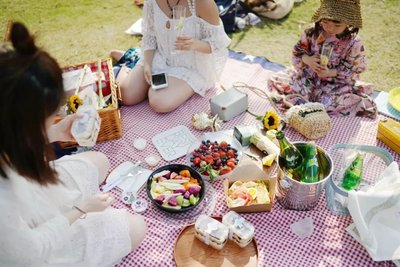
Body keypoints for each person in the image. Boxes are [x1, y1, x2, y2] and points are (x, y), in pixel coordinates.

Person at [0, 22, 147, 266]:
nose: (52, 121)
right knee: (136, 227)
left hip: (32, 194)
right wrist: (79, 210)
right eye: (48, 118)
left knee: (100, 161)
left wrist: (57, 131)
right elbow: (29, 253)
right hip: (32, 251)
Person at [114, 0, 231, 113]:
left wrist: (195, 44)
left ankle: (133, 59)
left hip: (190, 67)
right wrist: (148, 64)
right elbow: (149, 35)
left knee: (159, 101)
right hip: (159, 56)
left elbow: (219, 44)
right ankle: (130, 61)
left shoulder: (203, 3)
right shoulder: (152, 1)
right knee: (125, 96)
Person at [267, 0, 377, 118]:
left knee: (328, 104)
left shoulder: (353, 42)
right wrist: (307, 59)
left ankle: (315, 105)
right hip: (308, 77)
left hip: (336, 84)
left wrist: (331, 72)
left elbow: (356, 68)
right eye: (325, 22)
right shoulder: (311, 32)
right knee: (291, 88)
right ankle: (308, 103)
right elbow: (297, 52)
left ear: (348, 22)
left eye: (337, 25)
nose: (330, 28)